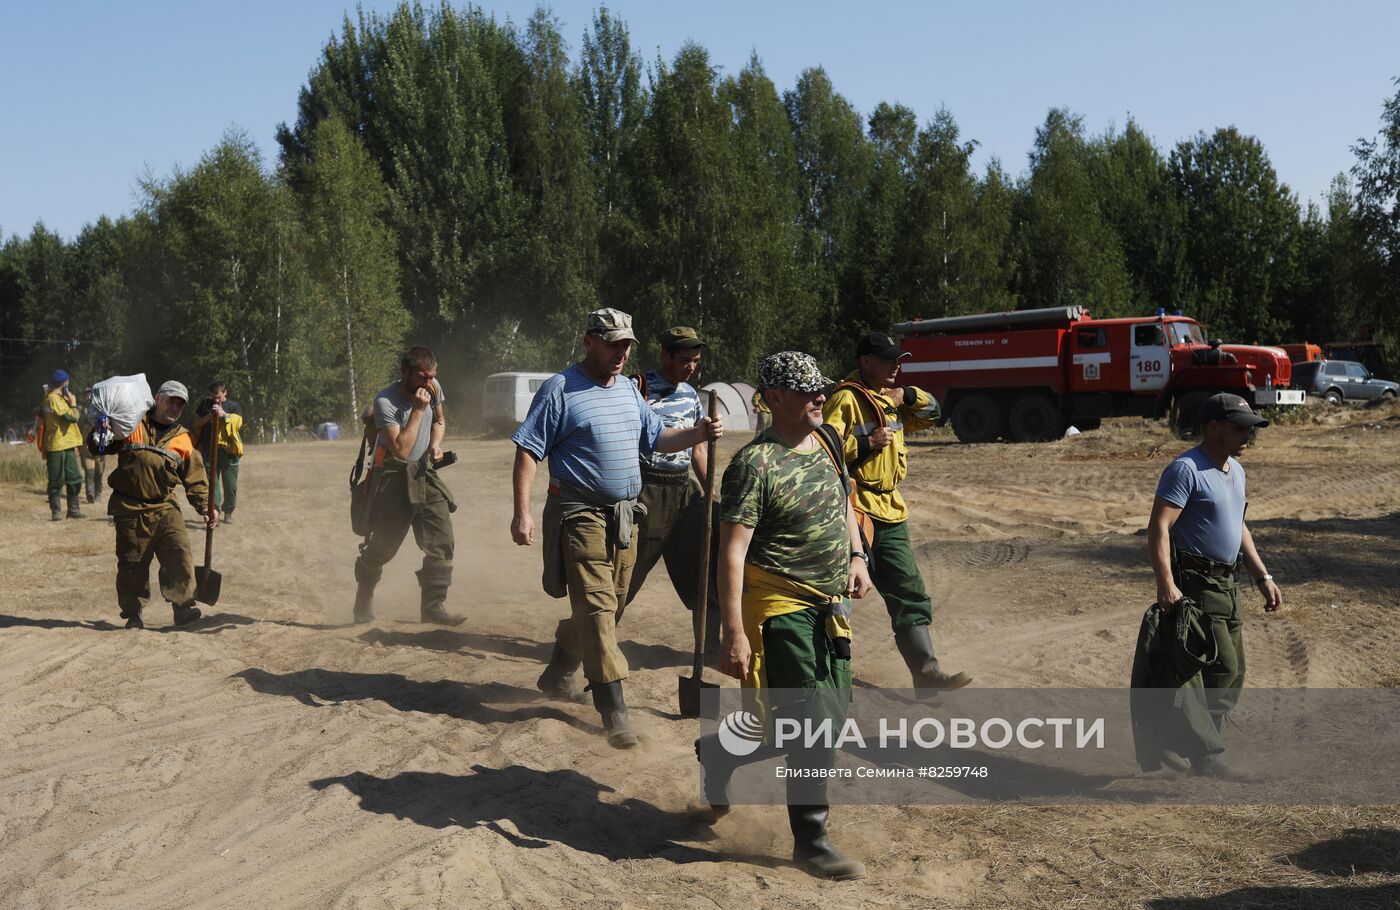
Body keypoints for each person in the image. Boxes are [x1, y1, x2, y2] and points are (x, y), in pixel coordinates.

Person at [693, 351, 871, 880]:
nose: (821, 396)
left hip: (830, 605)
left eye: (821, 387)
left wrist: (857, 555)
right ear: (774, 398)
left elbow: (844, 502)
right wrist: (733, 632)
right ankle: (811, 842)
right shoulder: (754, 465)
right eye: (807, 390)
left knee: (826, 716)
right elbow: (731, 553)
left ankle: (721, 753)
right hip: (780, 607)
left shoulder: (828, 440)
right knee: (810, 723)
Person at [511, 308, 723, 748]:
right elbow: (528, 450)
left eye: (626, 345)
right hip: (579, 512)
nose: (621, 353)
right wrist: (522, 512)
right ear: (589, 342)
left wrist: (698, 433)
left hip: (627, 514)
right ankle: (614, 711)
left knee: (609, 604)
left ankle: (557, 672)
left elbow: (658, 438)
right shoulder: (560, 389)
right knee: (598, 607)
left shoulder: (628, 389)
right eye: (612, 344)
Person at [822, 331, 970, 690]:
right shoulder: (846, 398)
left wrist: (908, 395)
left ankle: (926, 675)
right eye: (888, 361)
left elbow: (934, 415)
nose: (896, 367)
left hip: (891, 510)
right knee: (835, 593)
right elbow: (822, 449)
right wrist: (865, 443)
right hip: (854, 508)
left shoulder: (892, 399)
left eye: (898, 361)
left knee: (908, 591)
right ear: (865, 362)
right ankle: (826, 676)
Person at [1146, 392, 1282, 779]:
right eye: (1239, 428)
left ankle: (1192, 747)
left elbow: (1238, 526)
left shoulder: (1235, 470)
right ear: (1213, 427)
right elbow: (1158, 527)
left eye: (1249, 428)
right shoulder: (1186, 470)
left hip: (1228, 583)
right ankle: (1189, 745)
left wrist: (1262, 575)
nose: (1247, 435)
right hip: (1197, 583)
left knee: (1232, 674)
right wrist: (1166, 583)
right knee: (1221, 668)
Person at [625, 326, 721, 661]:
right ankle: (585, 649)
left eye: (696, 361)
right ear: (665, 355)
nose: (691, 367)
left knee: (704, 575)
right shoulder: (638, 388)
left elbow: (698, 450)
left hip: (684, 492)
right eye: (684, 360)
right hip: (648, 492)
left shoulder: (691, 395)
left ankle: (710, 651)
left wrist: (710, 493)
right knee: (626, 577)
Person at [351, 347, 464, 626]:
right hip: (393, 478)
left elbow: (439, 420)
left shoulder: (433, 387)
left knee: (442, 540)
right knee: (382, 549)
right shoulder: (385, 402)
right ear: (405, 372)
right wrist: (417, 410)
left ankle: (433, 607)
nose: (429, 383)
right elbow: (401, 450)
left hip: (425, 473)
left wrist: (435, 444)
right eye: (423, 377)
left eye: (432, 376)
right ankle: (363, 599)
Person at [99, 380, 216, 629]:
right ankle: (133, 613)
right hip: (130, 508)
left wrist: (206, 506)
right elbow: (101, 446)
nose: (175, 407)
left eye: (180, 404)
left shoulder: (182, 438)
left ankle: (183, 607)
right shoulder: (131, 422)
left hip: (164, 507)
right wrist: (101, 431)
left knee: (179, 552)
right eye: (171, 401)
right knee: (132, 564)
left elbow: (195, 477)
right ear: (157, 398)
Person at [192, 382, 245, 524]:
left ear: (225, 392)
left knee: (230, 486)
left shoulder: (234, 406)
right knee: (212, 485)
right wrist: (210, 416)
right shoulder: (205, 405)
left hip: (229, 452)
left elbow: (238, 424)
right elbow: (196, 424)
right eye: (213, 397)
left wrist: (223, 415)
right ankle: (214, 512)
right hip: (209, 450)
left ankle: (228, 511)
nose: (216, 400)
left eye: (219, 397)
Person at [43, 370, 85, 520]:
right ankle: (56, 512)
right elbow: (71, 418)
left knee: (75, 477)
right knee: (56, 480)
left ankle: (73, 510)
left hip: (67, 444)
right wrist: (73, 403)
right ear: (64, 383)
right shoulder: (53, 399)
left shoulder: (57, 399)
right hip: (56, 445)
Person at [78, 387, 108, 505]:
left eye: (90, 394)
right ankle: (90, 493)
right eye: (86, 394)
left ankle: (98, 493)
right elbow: (78, 430)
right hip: (86, 448)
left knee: (99, 473)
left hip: (100, 447)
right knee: (89, 472)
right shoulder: (81, 414)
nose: (88, 396)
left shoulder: (102, 411)